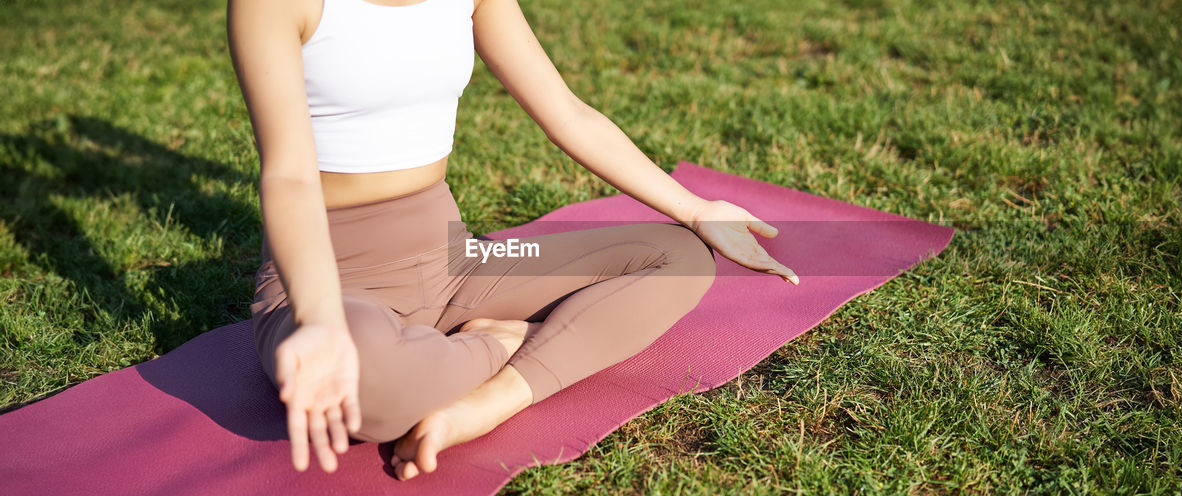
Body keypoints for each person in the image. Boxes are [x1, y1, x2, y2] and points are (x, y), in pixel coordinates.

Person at [226, 0, 799, 481]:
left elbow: (568, 114)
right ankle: (505, 343)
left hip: (457, 257)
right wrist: (321, 320)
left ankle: (492, 398)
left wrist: (696, 209)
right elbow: (290, 176)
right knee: (357, 383)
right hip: (334, 281)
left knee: (678, 256)